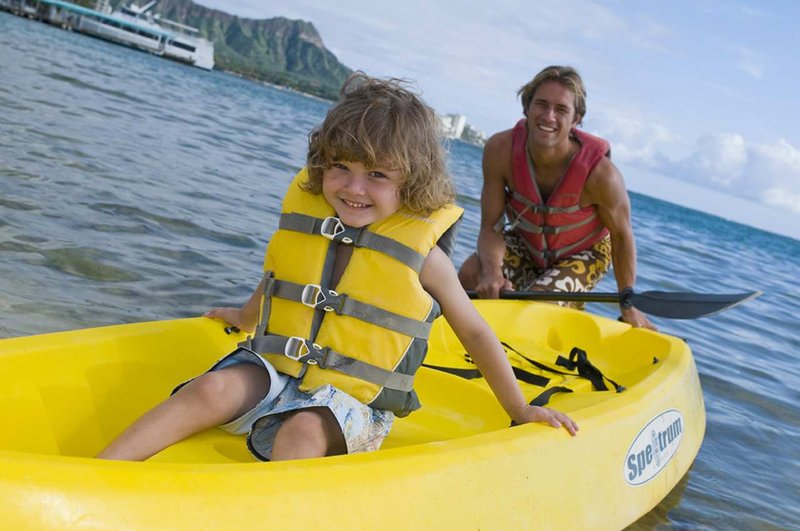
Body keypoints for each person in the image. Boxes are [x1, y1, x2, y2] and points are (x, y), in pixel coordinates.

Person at [97, 73, 578, 463]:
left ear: (411, 182)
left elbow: (474, 332)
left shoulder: (425, 258)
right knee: (211, 388)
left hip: (351, 403)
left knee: (301, 433)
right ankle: (100, 473)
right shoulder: (312, 224)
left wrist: (520, 408)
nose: (354, 188)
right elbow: (280, 280)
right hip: (280, 369)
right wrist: (245, 318)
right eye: (340, 167)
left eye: (377, 175)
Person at [458, 65, 656, 330]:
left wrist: (628, 305)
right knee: (470, 276)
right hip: (526, 244)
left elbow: (622, 237)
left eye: (561, 109)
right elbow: (490, 226)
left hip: (585, 253)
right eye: (541, 104)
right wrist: (492, 273)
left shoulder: (601, 175)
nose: (549, 116)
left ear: (576, 119)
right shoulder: (500, 150)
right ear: (526, 107)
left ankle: (565, 316)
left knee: (537, 308)